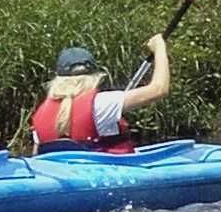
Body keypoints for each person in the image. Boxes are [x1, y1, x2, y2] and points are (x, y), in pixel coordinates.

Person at [29, 39, 169, 152]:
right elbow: (159, 89)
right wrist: (160, 48)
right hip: (107, 172)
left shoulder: (40, 112)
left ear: (58, 78)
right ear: (95, 77)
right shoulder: (102, 103)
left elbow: (38, 156)